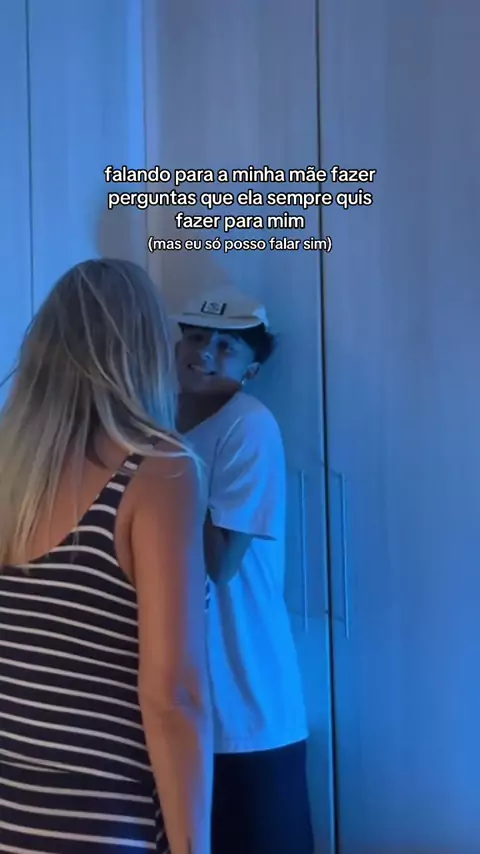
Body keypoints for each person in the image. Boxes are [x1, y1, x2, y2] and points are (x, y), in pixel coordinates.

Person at [0, 258, 212, 854]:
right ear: (142, 353)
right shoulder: (159, 471)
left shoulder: (10, 474)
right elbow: (173, 697)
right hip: (94, 820)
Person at [174, 288, 314, 854]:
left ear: (252, 369)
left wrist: (165, 464)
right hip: (184, 706)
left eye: (226, 345)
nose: (205, 351)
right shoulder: (158, 421)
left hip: (248, 706)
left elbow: (221, 564)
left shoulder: (249, 424)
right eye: (195, 336)